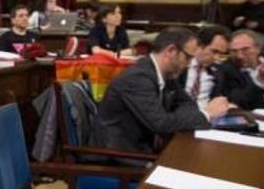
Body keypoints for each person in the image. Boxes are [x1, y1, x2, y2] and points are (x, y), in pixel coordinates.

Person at [92, 27, 231, 153]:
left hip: (143, 149)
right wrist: (206, 114)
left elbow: (188, 104)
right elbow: (161, 124)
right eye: (187, 57)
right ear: (170, 51)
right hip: (119, 157)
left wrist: (175, 118)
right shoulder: (137, 77)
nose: (189, 64)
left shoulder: (167, 74)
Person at [180, 26, 230, 109]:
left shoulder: (219, 71)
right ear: (199, 45)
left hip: (207, 117)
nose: (216, 58)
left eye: (221, 54)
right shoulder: (179, 65)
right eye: (214, 51)